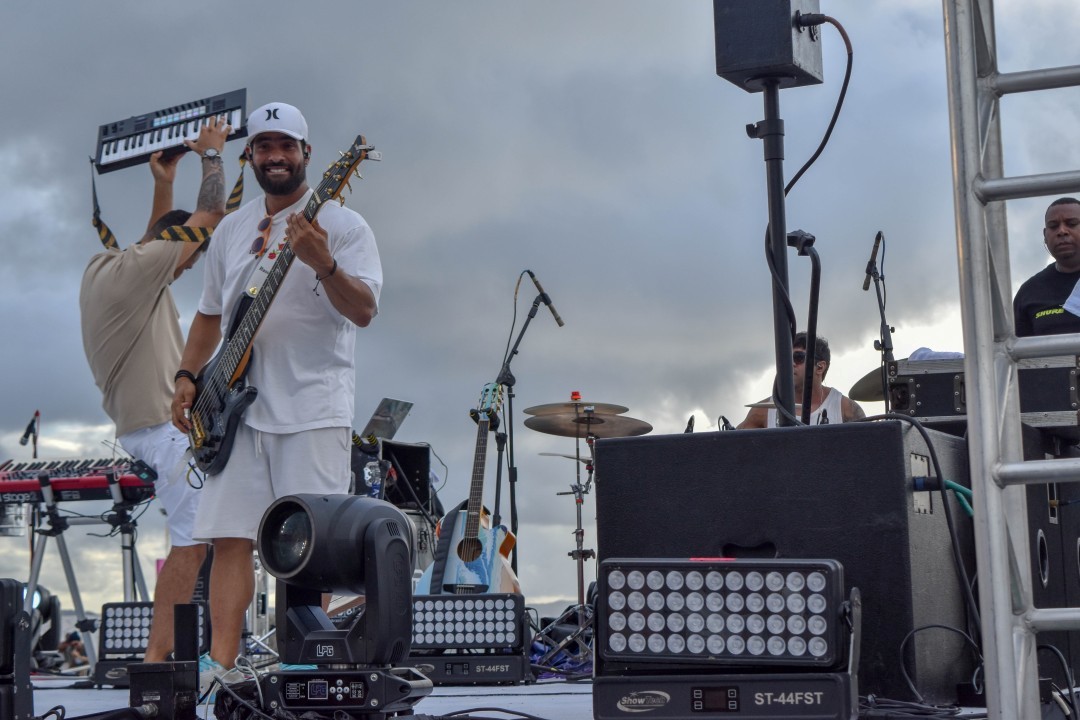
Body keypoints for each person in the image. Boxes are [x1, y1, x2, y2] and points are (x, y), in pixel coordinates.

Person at [170, 102, 382, 689]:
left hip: (313, 408)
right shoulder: (234, 229)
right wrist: (188, 378)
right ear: (251, 156)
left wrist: (325, 263)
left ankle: (303, 661)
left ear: (307, 155)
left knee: (309, 542)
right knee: (229, 536)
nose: (275, 156)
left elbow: (363, 310)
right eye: (264, 147)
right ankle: (222, 667)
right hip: (234, 411)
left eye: (286, 146)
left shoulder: (345, 225)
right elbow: (210, 315)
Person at [79, 118, 230, 662]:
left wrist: (163, 182)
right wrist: (211, 155)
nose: (185, 270)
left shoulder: (113, 270)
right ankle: (155, 666)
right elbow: (208, 217)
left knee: (209, 539)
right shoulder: (140, 269)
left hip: (148, 429)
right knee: (190, 547)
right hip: (162, 434)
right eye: (185, 261)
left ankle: (204, 652)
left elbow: (156, 241)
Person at [737, 332, 866, 428]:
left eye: (798, 357)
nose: (791, 363)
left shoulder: (844, 408)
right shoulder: (762, 412)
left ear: (820, 367)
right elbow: (734, 451)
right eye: (787, 357)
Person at [1013, 197, 1080, 337]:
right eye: (1053, 226)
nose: (1062, 231)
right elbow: (1014, 353)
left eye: (1072, 223)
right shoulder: (1029, 292)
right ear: (1045, 235)